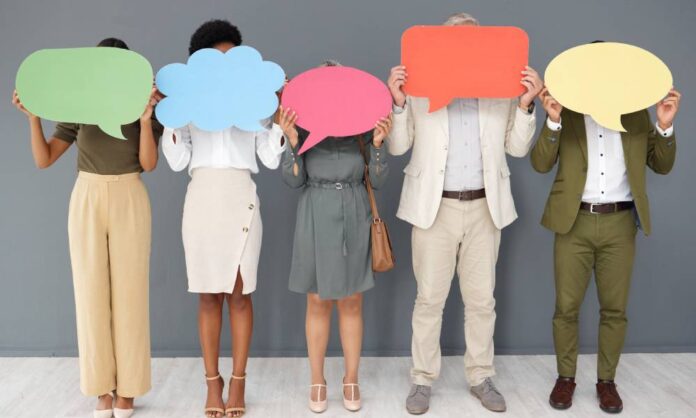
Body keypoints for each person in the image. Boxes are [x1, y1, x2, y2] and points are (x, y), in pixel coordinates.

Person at [386, 12, 543, 414]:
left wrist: (526, 105)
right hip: (433, 208)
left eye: (473, 42)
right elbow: (398, 147)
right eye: (456, 41)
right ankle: (422, 381)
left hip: (483, 209)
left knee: (481, 301)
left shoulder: (501, 90)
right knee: (428, 300)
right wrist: (400, 103)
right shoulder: (419, 89)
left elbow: (517, 149)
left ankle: (481, 376)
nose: (465, 49)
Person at [12, 37, 162, 418]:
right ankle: (101, 390)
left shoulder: (143, 106)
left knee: (130, 295)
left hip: (130, 192)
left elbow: (149, 164)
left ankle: (128, 390)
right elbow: (44, 159)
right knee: (90, 294)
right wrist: (33, 118)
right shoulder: (80, 106)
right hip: (87, 196)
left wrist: (145, 121)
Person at [532, 57, 681, 414]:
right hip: (574, 222)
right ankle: (565, 378)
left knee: (614, 309)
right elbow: (540, 163)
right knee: (566, 307)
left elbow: (661, 165)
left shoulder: (636, 116)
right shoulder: (565, 114)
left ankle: (606, 382)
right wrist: (552, 119)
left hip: (619, 223)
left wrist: (664, 126)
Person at [160, 20, 285, 418]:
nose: (225, 65)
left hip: (241, 194)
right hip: (202, 197)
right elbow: (179, 161)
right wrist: (170, 114)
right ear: (199, 62)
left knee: (240, 292)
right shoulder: (188, 105)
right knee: (208, 293)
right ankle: (212, 384)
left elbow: (268, 157)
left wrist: (278, 117)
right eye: (216, 57)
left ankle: (239, 382)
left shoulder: (254, 102)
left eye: (232, 56)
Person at [277, 59, 392, 414]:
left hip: (354, 212)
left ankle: (351, 377)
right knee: (316, 300)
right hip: (315, 213)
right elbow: (293, 180)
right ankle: (317, 378)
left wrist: (377, 144)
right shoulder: (305, 127)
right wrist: (292, 141)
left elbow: (380, 179)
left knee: (352, 300)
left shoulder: (362, 127)